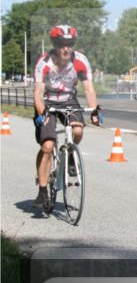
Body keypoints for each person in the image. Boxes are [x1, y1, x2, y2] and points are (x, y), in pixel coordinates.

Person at [33, 25, 101, 207]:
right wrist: (42, 114)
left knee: (78, 131)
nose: (66, 48)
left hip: (68, 101)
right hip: (47, 102)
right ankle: (42, 190)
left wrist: (94, 110)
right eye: (62, 44)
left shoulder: (80, 61)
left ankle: (70, 154)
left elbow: (88, 88)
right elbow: (38, 93)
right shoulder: (44, 62)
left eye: (70, 44)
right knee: (47, 145)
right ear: (55, 45)